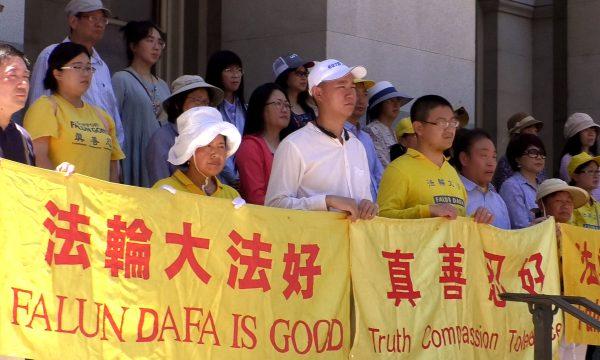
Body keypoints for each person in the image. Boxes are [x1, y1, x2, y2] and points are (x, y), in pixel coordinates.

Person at [265, 59, 377, 221]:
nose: (350, 93)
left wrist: (370, 206)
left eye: (352, 87)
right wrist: (326, 201)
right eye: (341, 86)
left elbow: (365, 200)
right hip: (315, 245)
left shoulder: (357, 145)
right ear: (318, 93)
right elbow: (274, 205)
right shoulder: (294, 145)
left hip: (355, 244)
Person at [378, 95, 493, 223]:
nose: (450, 129)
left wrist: (475, 221)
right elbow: (382, 219)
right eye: (442, 122)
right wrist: (426, 211)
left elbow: (455, 223)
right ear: (419, 128)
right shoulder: (399, 169)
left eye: (453, 123)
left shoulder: (452, 173)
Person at [28, 0, 124, 149]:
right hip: (65, 154)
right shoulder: (51, 55)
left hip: (102, 153)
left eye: (103, 20)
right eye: (93, 18)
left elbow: (112, 111)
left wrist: (116, 155)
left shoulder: (101, 65)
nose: (100, 24)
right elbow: (38, 105)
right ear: (73, 21)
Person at [24, 42, 124, 182]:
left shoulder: (103, 116)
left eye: (89, 68)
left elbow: (114, 166)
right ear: (57, 73)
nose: (86, 73)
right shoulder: (46, 107)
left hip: (99, 202)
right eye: (77, 67)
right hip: (62, 201)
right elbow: (38, 158)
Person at [112, 21, 170, 187]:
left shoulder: (163, 85)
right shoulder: (121, 79)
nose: (156, 47)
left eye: (160, 42)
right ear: (133, 46)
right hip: (133, 154)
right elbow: (113, 125)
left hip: (160, 159)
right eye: (149, 40)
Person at [146, 75, 223, 186]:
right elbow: (160, 186)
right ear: (177, 104)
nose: (201, 106)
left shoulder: (211, 137)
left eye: (205, 102)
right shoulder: (162, 139)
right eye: (196, 100)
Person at [152, 106, 241, 199]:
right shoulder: (165, 190)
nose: (216, 154)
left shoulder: (231, 196)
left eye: (221, 146)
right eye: (207, 145)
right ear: (189, 152)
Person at [235, 83, 290, 205]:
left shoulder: (290, 145)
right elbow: (255, 198)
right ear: (261, 108)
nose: (285, 109)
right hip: (263, 219)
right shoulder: (249, 147)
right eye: (278, 103)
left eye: (287, 104)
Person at [452, 128, 510, 229]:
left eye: (494, 157)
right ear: (464, 159)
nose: (491, 163)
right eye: (484, 155)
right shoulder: (453, 194)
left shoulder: (498, 199)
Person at [205, 50, 246, 188]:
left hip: (244, 178)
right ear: (217, 73)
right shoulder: (211, 109)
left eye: (239, 70)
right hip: (218, 177)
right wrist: (234, 178)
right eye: (228, 70)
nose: (235, 75)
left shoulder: (244, 108)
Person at [344, 78, 383, 200]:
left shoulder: (366, 138)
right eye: (355, 93)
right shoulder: (335, 135)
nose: (361, 100)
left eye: (365, 95)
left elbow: (379, 175)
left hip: (373, 212)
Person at [499, 133, 546, 229]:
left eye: (542, 153)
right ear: (517, 159)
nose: (539, 157)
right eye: (533, 152)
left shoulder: (543, 186)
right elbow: (519, 227)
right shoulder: (511, 186)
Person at [0, 44, 35, 165]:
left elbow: (27, 182)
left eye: (26, 76)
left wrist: (59, 178)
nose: (23, 84)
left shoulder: (23, 137)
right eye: (13, 75)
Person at [365, 81, 412, 167]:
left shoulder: (391, 130)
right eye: (390, 100)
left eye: (398, 100)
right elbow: (382, 164)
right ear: (379, 105)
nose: (396, 104)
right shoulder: (372, 130)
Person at [492, 112, 544, 190]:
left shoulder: (538, 158)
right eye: (530, 131)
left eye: (535, 131)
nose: (534, 135)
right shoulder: (506, 161)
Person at [559, 112, 600, 200]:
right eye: (586, 130)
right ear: (575, 135)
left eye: (593, 129)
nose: (591, 133)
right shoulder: (568, 159)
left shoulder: (595, 157)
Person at [273, 53, 316, 133]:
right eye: (299, 73)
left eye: (306, 73)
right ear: (284, 77)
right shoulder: (277, 109)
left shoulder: (308, 106)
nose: (304, 78)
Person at [568, 152, 600, 229]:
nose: (596, 175)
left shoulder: (596, 204)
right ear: (575, 176)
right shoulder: (570, 203)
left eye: (597, 171)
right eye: (590, 171)